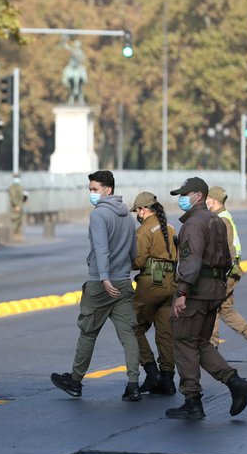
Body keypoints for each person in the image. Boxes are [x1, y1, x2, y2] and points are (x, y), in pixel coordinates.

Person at [166, 177, 247, 419]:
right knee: (201, 342)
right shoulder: (216, 221)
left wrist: (182, 292)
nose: (182, 199)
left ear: (199, 196)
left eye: (186, 194)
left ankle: (192, 401)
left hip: (195, 290)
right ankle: (236, 383)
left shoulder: (194, 224)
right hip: (214, 288)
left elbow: (192, 262)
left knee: (184, 341)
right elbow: (227, 258)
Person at [51, 170, 142, 402]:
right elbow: (134, 253)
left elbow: (101, 249)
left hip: (102, 283)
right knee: (128, 334)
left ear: (107, 190)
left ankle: (75, 381)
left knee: (88, 332)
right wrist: (122, 273)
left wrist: (104, 278)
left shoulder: (99, 215)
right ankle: (133, 385)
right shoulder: (128, 217)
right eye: (90, 189)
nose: (91, 193)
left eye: (94, 189)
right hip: (123, 282)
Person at [206, 186, 247, 362]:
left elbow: (228, 250)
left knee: (212, 307)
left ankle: (212, 347)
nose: (206, 201)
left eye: (207, 198)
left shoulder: (221, 219)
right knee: (225, 309)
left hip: (226, 273)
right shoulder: (223, 216)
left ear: (213, 200)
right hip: (232, 272)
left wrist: (222, 274)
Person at [130, 192, 178, 395]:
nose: (137, 215)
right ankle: (167, 379)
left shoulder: (143, 231)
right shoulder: (169, 227)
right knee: (165, 333)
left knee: (132, 327)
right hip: (170, 283)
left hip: (151, 283)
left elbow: (138, 262)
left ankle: (151, 371)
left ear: (143, 209)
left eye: (137, 211)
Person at [8, 173, 27, 243]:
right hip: (15, 207)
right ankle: (14, 235)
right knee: (15, 222)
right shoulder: (12, 187)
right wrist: (16, 205)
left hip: (21, 206)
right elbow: (13, 198)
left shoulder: (20, 187)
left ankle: (18, 235)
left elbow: (23, 196)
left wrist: (25, 199)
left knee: (20, 222)